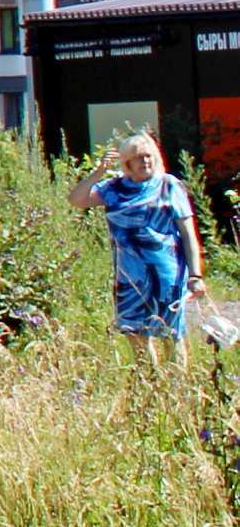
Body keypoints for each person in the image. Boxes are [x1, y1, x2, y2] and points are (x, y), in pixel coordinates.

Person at [72, 132, 208, 360]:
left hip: (166, 275)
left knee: (171, 336)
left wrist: (195, 275)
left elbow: (188, 235)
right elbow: (77, 200)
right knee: (137, 339)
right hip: (129, 277)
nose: (145, 161)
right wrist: (97, 174)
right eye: (138, 158)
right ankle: (149, 387)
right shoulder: (114, 188)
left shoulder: (169, 186)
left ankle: (177, 389)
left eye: (148, 156)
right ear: (127, 163)